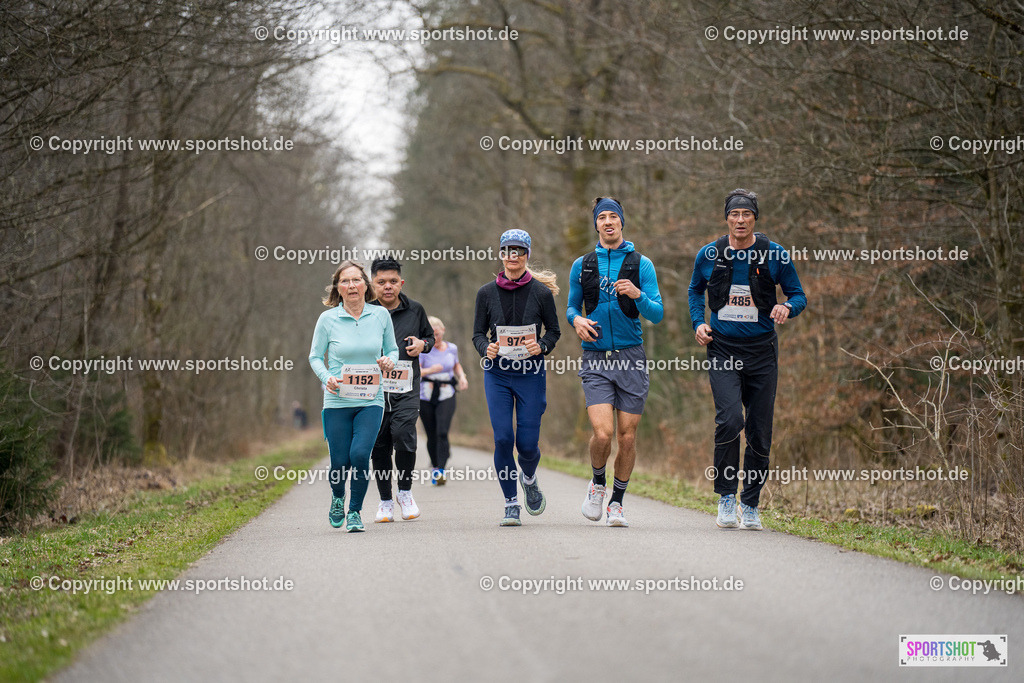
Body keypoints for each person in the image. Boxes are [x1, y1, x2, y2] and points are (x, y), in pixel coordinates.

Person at [688, 188, 807, 530]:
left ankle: (750, 504)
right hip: (723, 348)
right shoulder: (709, 254)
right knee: (729, 421)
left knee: (759, 431)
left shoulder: (775, 255)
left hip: (762, 352)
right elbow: (695, 289)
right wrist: (698, 322)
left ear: (755, 218)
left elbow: (798, 295)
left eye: (746, 214)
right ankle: (726, 497)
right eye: (734, 214)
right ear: (726, 218)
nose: (740, 220)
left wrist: (787, 306)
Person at [568, 197, 663, 527]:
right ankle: (597, 483)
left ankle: (617, 503)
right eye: (602, 217)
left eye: (613, 217)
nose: (608, 222)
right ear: (596, 224)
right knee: (604, 434)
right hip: (595, 359)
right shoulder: (583, 265)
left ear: (622, 222)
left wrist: (638, 295)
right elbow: (570, 307)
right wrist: (576, 321)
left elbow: (658, 313)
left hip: (631, 357)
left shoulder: (641, 264)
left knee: (627, 438)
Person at [473, 229, 560, 526]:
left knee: (526, 444)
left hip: (530, 374)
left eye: (519, 251)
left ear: (527, 255)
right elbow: (477, 334)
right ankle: (511, 503)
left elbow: (554, 331)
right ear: (500, 254)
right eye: (508, 250)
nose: (513, 256)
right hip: (497, 374)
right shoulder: (485, 293)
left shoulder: (541, 293)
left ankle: (529, 477)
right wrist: (488, 347)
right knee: (502, 438)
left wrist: (543, 345)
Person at [308, 260, 399, 532]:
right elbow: (314, 357)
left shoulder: (380, 315)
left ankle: (355, 512)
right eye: (345, 281)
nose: (351, 286)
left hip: (370, 399)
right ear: (338, 287)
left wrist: (389, 362)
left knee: (360, 455)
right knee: (339, 461)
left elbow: (393, 350)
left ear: (365, 285)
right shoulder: (328, 319)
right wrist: (327, 378)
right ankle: (338, 497)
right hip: (337, 401)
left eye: (356, 280)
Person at [368, 256, 435, 523]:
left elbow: (429, 337)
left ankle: (405, 493)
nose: (387, 287)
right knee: (379, 444)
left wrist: (423, 345)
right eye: (381, 282)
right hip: (373, 389)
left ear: (401, 283)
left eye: (393, 282)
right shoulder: (365, 311)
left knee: (404, 434)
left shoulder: (415, 309)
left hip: (406, 386)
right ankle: (385, 501)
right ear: (372, 284)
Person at [419, 316, 468, 485]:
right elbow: (416, 372)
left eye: (437, 334)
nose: (435, 337)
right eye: (431, 334)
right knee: (431, 434)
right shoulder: (423, 349)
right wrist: (431, 369)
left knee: (442, 431)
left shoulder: (451, 348)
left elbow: (456, 364)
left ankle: (441, 469)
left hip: (447, 392)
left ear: (443, 331)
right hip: (425, 394)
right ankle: (435, 466)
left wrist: (462, 377)